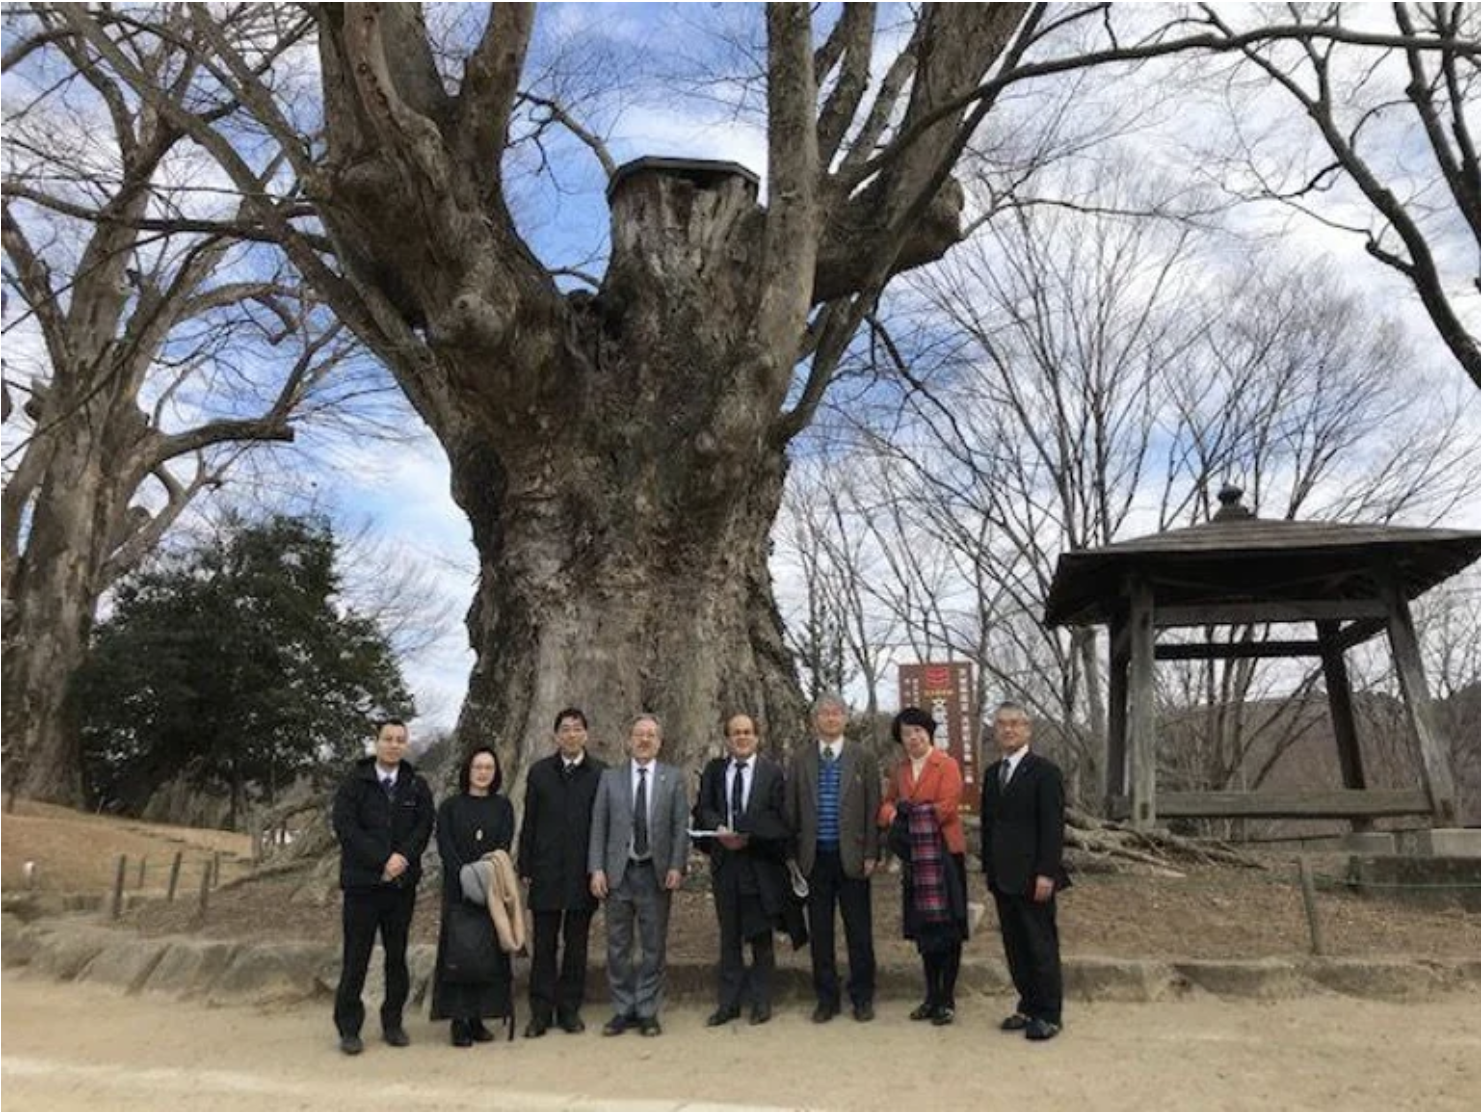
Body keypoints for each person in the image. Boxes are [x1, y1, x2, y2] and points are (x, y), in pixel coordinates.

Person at [331, 717, 435, 1055]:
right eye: (387, 738)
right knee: (356, 957)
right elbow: (346, 828)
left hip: (400, 887)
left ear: (406, 744)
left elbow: (423, 826)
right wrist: (382, 860)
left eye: (399, 739)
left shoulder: (416, 785)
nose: (393, 744)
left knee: (396, 957)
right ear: (376, 742)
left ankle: (393, 1022)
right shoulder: (354, 783)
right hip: (363, 885)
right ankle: (349, 1027)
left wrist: (402, 858)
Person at [588, 714, 690, 1037]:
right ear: (629, 740)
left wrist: (676, 865)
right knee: (617, 945)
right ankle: (622, 1009)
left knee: (653, 945)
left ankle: (647, 1009)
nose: (644, 740)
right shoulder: (610, 778)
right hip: (619, 872)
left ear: (660, 742)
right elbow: (598, 826)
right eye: (639, 734)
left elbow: (679, 828)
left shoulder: (672, 778)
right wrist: (597, 868)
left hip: (655, 873)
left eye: (651, 735)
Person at [785, 692, 881, 1023]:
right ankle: (826, 997)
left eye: (836, 713)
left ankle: (863, 995)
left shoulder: (862, 758)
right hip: (814, 858)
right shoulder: (800, 760)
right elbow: (792, 810)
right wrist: (793, 857)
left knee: (859, 931)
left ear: (845, 718)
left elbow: (873, 808)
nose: (830, 718)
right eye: (824, 714)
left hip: (852, 856)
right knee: (821, 932)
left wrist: (871, 852)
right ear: (815, 720)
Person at [693, 713, 793, 1027]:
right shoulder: (714, 770)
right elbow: (703, 809)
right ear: (727, 738)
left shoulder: (772, 773)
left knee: (760, 935)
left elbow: (780, 818)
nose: (742, 737)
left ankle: (761, 1001)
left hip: (758, 862)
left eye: (747, 732)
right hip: (725, 865)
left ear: (757, 737)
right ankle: (729, 1002)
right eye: (735, 733)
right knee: (729, 936)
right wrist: (718, 828)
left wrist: (749, 833)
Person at [980, 701, 1070, 1042]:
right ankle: (1028, 1005)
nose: (1008, 729)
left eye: (1015, 723)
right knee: (1015, 946)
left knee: (1040, 944)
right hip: (1002, 876)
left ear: (1028, 729)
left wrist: (1047, 872)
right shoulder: (993, 774)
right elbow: (990, 826)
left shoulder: (1045, 772)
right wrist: (988, 869)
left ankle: (1050, 1013)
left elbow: (1052, 826)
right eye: (1002, 723)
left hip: (1035, 876)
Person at [517, 707, 606, 1038]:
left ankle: (569, 1008)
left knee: (577, 944)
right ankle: (540, 1011)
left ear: (586, 734)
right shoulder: (540, 772)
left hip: (583, 871)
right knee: (543, 945)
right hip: (545, 870)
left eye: (577, 728)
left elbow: (604, 823)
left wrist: (600, 869)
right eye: (565, 729)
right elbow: (530, 823)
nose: (571, 734)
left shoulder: (600, 773)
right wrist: (525, 865)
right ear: (556, 735)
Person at [878, 706, 968, 1026]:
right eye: (906, 733)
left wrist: (907, 813)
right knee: (925, 931)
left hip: (945, 854)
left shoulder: (946, 764)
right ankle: (930, 996)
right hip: (915, 859)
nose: (913, 737)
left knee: (949, 929)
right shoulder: (900, 770)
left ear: (928, 732)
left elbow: (947, 808)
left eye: (918, 730)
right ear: (900, 739)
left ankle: (947, 998)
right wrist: (893, 814)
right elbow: (886, 805)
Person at [430, 746, 516, 1046]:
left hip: (490, 888)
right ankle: (458, 1019)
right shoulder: (451, 806)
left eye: (489, 768)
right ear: (468, 770)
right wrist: (465, 875)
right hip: (458, 889)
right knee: (460, 952)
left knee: (485, 953)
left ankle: (479, 1017)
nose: (483, 773)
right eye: (478, 767)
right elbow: (445, 844)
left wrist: (485, 874)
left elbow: (503, 845)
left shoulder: (503, 806)